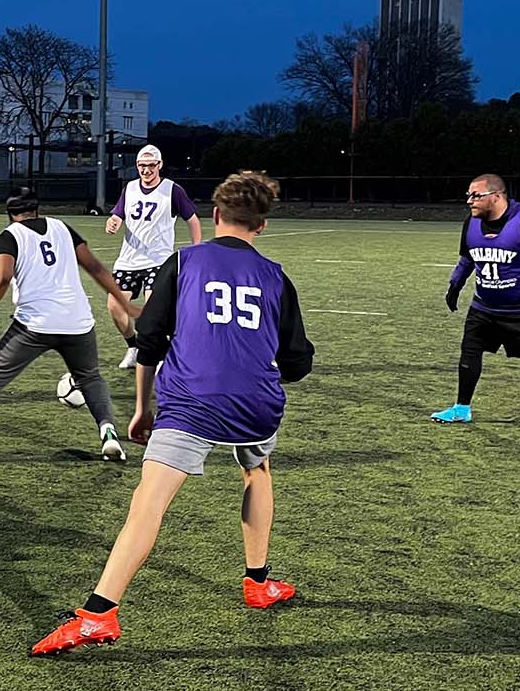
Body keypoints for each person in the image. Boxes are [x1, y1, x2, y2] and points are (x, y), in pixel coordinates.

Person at [32, 171, 315, 655]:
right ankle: (258, 582)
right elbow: (297, 362)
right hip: (257, 403)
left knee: (151, 499)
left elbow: (150, 342)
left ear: (215, 215)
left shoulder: (183, 262)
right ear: (262, 227)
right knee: (257, 469)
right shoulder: (276, 276)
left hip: (191, 398)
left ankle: (99, 613)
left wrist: (143, 409)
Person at [0, 186, 134, 464]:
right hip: (78, 322)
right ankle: (109, 435)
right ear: (37, 209)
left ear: (9, 213)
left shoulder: (9, 236)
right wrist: (125, 303)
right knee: (90, 377)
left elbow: (2, 278)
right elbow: (95, 267)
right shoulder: (63, 228)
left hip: (34, 325)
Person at [431, 173, 520, 435]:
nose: (469, 201)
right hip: (484, 307)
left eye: (476, 195)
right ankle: (462, 409)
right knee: (469, 354)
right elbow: (468, 257)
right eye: (468, 195)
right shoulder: (471, 223)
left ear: (496, 196)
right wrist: (455, 284)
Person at [104, 144, 201, 368]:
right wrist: (113, 223)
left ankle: (159, 355)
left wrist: (196, 250)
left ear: (159, 165)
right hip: (128, 260)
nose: (146, 170)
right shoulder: (129, 188)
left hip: (158, 260)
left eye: (150, 166)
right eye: (141, 166)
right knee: (114, 306)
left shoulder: (172, 190)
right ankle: (133, 347)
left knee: (152, 312)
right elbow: (118, 215)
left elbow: (193, 220)